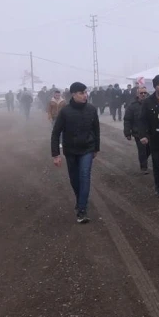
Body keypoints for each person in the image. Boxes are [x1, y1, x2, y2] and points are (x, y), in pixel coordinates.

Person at [51, 82, 100, 223]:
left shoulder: (91, 109)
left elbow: (96, 130)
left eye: (85, 92)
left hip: (87, 149)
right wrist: (56, 154)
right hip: (71, 150)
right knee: (74, 179)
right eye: (81, 93)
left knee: (85, 176)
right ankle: (80, 200)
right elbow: (55, 133)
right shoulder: (65, 112)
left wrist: (96, 148)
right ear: (73, 94)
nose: (85, 95)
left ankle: (82, 210)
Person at [124, 86, 150, 173]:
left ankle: (143, 160)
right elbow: (127, 119)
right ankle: (144, 167)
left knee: (149, 149)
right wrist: (127, 132)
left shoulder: (151, 103)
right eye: (141, 93)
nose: (143, 94)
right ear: (137, 94)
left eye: (144, 93)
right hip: (138, 132)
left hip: (150, 131)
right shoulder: (132, 106)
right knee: (142, 149)